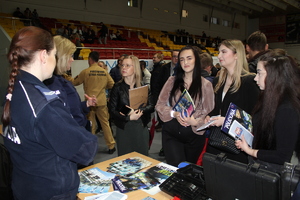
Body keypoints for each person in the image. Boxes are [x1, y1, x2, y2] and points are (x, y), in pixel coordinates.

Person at [1, 26, 98, 199]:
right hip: (50, 191)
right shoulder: (42, 103)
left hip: (26, 185)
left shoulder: (14, 89)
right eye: (54, 55)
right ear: (43, 55)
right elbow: (86, 149)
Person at [235, 49, 300, 172]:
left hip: (271, 173)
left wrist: (250, 151)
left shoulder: (287, 109)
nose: (255, 78)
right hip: (258, 166)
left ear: (274, 75)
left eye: (259, 73)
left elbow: (282, 156)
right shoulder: (268, 97)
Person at [155, 46, 214, 167]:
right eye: (182, 59)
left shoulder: (206, 84)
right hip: (172, 132)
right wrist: (174, 114)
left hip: (194, 136)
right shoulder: (172, 81)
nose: (185, 62)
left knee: (188, 170)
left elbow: (208, 111)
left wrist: (195, 121)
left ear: (196, 60)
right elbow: (159, 105)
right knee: (176, 168)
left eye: (189, 58)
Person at [206, 39, 260, 164]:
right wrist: (208, 117)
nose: (219, 56)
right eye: (219, 52)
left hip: (238, 146)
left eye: (224, 52)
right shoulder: (218, 81)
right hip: (216, 142)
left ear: (236, 55)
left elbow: (254, 118)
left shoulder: (249, 82)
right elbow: (217, 109)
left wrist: (227, 121)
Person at [44, 35, 96, 131]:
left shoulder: (60, 80)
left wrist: (86, 105)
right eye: (71, 56)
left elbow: (71, 108)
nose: (72, 59)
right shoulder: (51, 84)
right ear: (61, 57)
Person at [109, 55, 154, 156]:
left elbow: (151, 106)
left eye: (128, 65)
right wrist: (129, 116)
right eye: (123, 65)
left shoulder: (144, 87)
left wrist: (138, 110)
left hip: (141, 126)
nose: (123, 68)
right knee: (125, 161)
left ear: (135, 68)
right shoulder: (117, 87)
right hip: (124, 128)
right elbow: (112, 110)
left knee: (143, 159)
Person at [72, 51, 116, 154]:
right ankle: (111, 146)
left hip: (89, 103)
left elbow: (75, 82)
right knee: (105, 124)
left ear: (90, 59)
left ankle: (91, 147)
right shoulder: (104, 72)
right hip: (101, 101)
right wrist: (102, 87)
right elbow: (112, 84)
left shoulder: (86, 72)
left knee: (91, 125)